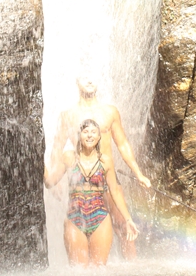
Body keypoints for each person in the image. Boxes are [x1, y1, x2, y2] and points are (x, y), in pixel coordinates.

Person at [51, 74, 151, 259]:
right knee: (81, 223)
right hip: (81, 178)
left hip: (107, 175)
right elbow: (57, 146)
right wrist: (54, 180)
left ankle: (132, 268)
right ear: (77, 81)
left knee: (124, 224)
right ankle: (84, 270)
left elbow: (122, 143)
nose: (90, 81)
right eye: (85, 77)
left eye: (93, 77)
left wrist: (138, 173)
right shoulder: (68, 115)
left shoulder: (110, 112)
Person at [45, 119, 139, 266]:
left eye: (93, 132)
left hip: (100, 217)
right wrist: (39, 159)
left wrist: (128, 219)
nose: (89, 135)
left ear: (99, 137)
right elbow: (50, 182)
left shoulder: (105, 161)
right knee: (78, 271)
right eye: (86, 131)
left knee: (98, 271)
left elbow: (114, 191)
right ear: (79, 135)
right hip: (74, 217)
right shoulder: (69, 157)